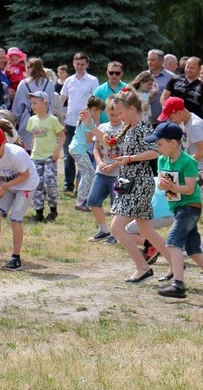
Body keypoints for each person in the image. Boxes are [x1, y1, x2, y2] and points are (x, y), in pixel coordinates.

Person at [145, 122, 203, 300]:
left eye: (160, 143)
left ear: (173, 143)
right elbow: (164, 187)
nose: (157, 147)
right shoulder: (162, 160)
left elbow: (190, 189)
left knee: (172, 243)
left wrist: (172, 186)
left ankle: (178, 285)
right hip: (177, 208)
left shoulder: (188, 162)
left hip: (190, 208)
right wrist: (163, 185)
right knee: (194, 251)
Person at [106, 88, 171, 283]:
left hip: (139, 185)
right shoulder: (129, 129)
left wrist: (131, 158)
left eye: (121, 113)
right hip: (130, 183)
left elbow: (155, 151)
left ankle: (143, 267)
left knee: (117, 228)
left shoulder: (142, 128)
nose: (118, 117)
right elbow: (122, 152)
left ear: (132, 109)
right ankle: (175, 265)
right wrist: (118, 162)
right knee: (146, 230)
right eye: (116, 114)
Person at [0, 126, 40, 271]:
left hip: (26, 186)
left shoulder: (16, 154)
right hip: (7, 185)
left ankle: (16, 258)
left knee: (15, 219)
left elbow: (25, 176)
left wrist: (4, 187)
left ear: (4, 142)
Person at [159, 97, 203, 195]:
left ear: (179, 112)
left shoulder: (194, 126)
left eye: (171, 116)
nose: (170, 120)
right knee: (179, 199)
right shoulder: (183, 123)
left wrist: (182, 164)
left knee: (189, 201)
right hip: (193, 167)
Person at [59, 52, 99, 192]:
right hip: (69, 122)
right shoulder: (69, 80)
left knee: (84, 154)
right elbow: (62, 99)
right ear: (73, 63)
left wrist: (93, 120)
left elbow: (95, 100)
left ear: (87, 64)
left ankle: (80, 184)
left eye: (83, 64)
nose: (80, 67)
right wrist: (60, 118)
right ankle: (68, 184)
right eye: (77, 64)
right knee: (68, 155)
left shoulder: (92, 80)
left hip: (84, 123)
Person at [86, 97, 123, 241]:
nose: (115, 118)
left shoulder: (124, 129)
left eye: (118, 115)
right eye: (111, 115)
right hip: (101, 172)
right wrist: (99, 162)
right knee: (93, 200)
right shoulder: (102, 128)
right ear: (106, 113)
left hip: (117, 174)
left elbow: (126, 154)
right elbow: (95, 149)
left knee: (116, 207)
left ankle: (116, 234)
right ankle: (104, 229)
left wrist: (113, 165)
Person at [26, 91, 65, 222]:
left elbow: (62, 136)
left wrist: (57, 151)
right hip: (36, 157)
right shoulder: (32, 120)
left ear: (45, 103)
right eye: (31, 103)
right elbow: (33, 138)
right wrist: (30, 153)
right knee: (37, 184)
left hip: (49, 157)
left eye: (35, 103)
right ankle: (39, 212)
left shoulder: (53, 120)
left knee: (49, 183)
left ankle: (53, 210)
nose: (32, 106)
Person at [12, 57, 58, 152]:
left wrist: (18, 118)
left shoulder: (24, 84)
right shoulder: (50, 83)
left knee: (28, 151)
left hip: (28, 121)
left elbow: (17, 109)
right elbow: (51, 102)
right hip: (46, 120)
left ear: (29, 68)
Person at [69, 96, 104, 211]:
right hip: (79, 149)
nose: (100, 114)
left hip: (76, 148)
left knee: (90, 174)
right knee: (87, 175)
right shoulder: (89, 120)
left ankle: (84, 199)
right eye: (99, 112)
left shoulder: (83, 116)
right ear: (94, 109)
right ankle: (81, 202)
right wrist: (97, 133)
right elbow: (89, 140)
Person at [160, 56, 203, 122]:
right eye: (187, 67)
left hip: (191, 123)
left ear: (199, 69)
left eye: (192, 68)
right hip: (173, 120)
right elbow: (163, 98)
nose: (188, 70)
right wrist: (168, 113)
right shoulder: (175, 79)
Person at [146, 49, 174, 126]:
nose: (149, 62)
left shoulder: (171, 77)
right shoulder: (143, 76)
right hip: (146, 121)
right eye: (148, 60)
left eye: (152, 60)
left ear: (161, 61)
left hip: (165, 121)